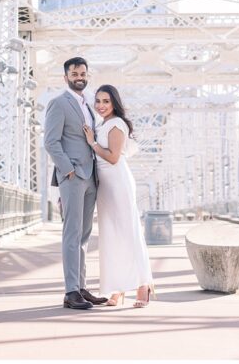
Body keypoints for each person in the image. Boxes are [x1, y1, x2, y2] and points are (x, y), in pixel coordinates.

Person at [43, 56, 109, 310]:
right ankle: (71, 292)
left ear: (87, 75)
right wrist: (67, 170)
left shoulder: (88, 105)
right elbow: (51, 141)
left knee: (83, 236)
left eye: (83, 73)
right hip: (72, 176)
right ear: (66, 77)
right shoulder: (59, 103)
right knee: (72, 234)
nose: (79, 77)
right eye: (74, 74)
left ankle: (81, 287)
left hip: (90, 176)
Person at [83, 85, 156, 308]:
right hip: (106, 185)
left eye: (106, 101)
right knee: (111, 236)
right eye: (98, 101)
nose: (101, 106)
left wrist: (92, 143)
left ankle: (143, 287)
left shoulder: (116, 124)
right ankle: (117, 289)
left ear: (114, 103)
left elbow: (114, 158)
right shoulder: (103, 124)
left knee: (128, 233)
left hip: (118, 183)